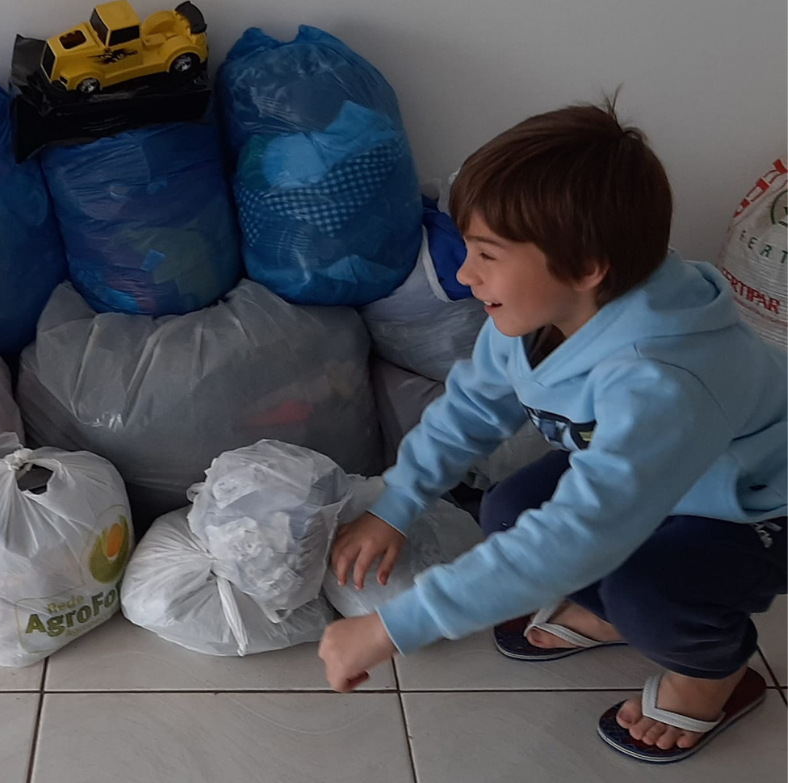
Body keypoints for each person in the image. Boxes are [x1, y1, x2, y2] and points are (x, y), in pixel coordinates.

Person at [319, 99, 787, 764]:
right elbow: (470, 410)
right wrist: (395, 507)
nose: (463, 273)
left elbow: (577, 536)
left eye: (487, 254)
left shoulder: (660, 380)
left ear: (587, 264)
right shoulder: (539, 312)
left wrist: (396, 626)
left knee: (648, 589)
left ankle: (711, 677)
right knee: (509, 508)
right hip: (658, 476)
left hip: (758, 501)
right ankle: (610, 615)